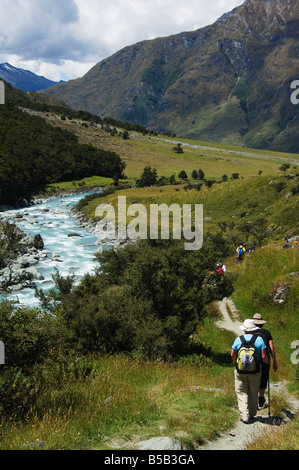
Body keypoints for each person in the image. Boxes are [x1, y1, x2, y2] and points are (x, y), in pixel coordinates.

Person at [231, 319, 268, 424]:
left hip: (240, 370)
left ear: (244, 329)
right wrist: (267, 362)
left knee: (241, 391)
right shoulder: (259, 340)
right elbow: (264, 356)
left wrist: (234, 362)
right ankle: (252, 413)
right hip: (255, 370)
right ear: (253, 329)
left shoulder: (238, 339)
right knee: (253, 390)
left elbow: (232, 353)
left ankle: (244, 414)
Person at [252, 313, 278, 408]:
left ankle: (253, 400)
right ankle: (261, 397)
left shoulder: (251, 333)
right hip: (265, 359)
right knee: (263, 378)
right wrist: (274, 361)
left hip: (253, 359)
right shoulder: (267, 333)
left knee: (254, 378)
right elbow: (271, 347)